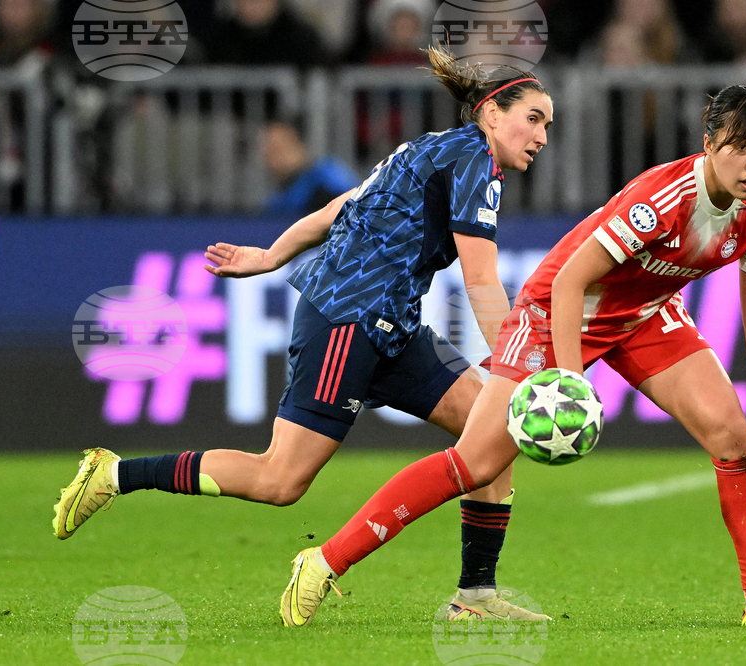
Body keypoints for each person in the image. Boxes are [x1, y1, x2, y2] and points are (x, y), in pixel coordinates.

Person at [283, 84, 746, 628]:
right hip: (554, 312)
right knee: (477, 463)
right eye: (740, 147)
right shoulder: (662, 198)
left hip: (643, 314)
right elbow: (568, 283)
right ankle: (324, 561)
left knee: (733, 438)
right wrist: (569, 380)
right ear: (708, 143)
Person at [52, 45, 554, 627]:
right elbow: (481, 278)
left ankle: (475, 596)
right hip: (348, 318)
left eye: (548, 124)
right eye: (533, 118)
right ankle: (115, 474)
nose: (542, 136)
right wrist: (517, 366)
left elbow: (342, 205)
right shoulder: (471, 160)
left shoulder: (434, 149)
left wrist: (272, 255)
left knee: (492, 431)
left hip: (391, 323)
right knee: (280, 480)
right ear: (491, 113)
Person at [262, 119, 361, 216]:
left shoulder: (326, 181)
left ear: (299, 144)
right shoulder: (278, 199)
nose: (271, 155)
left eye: (277, 147)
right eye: (267, 149)